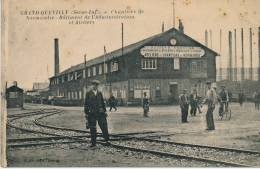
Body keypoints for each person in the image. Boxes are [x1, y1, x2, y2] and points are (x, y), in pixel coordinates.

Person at [84, 80, 109, 147]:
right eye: (94, 85)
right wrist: (86, 113)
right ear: (92, 86)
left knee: (104, 126)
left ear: (98, 86)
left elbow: (102, 103)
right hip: (92, 113)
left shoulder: (99, 93)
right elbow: (86, 104)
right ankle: (93, 143)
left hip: (100, 112)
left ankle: (107, 140)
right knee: (93, 128)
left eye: (96, 85)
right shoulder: (88, 93)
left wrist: (105, 111)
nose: (95, 86)